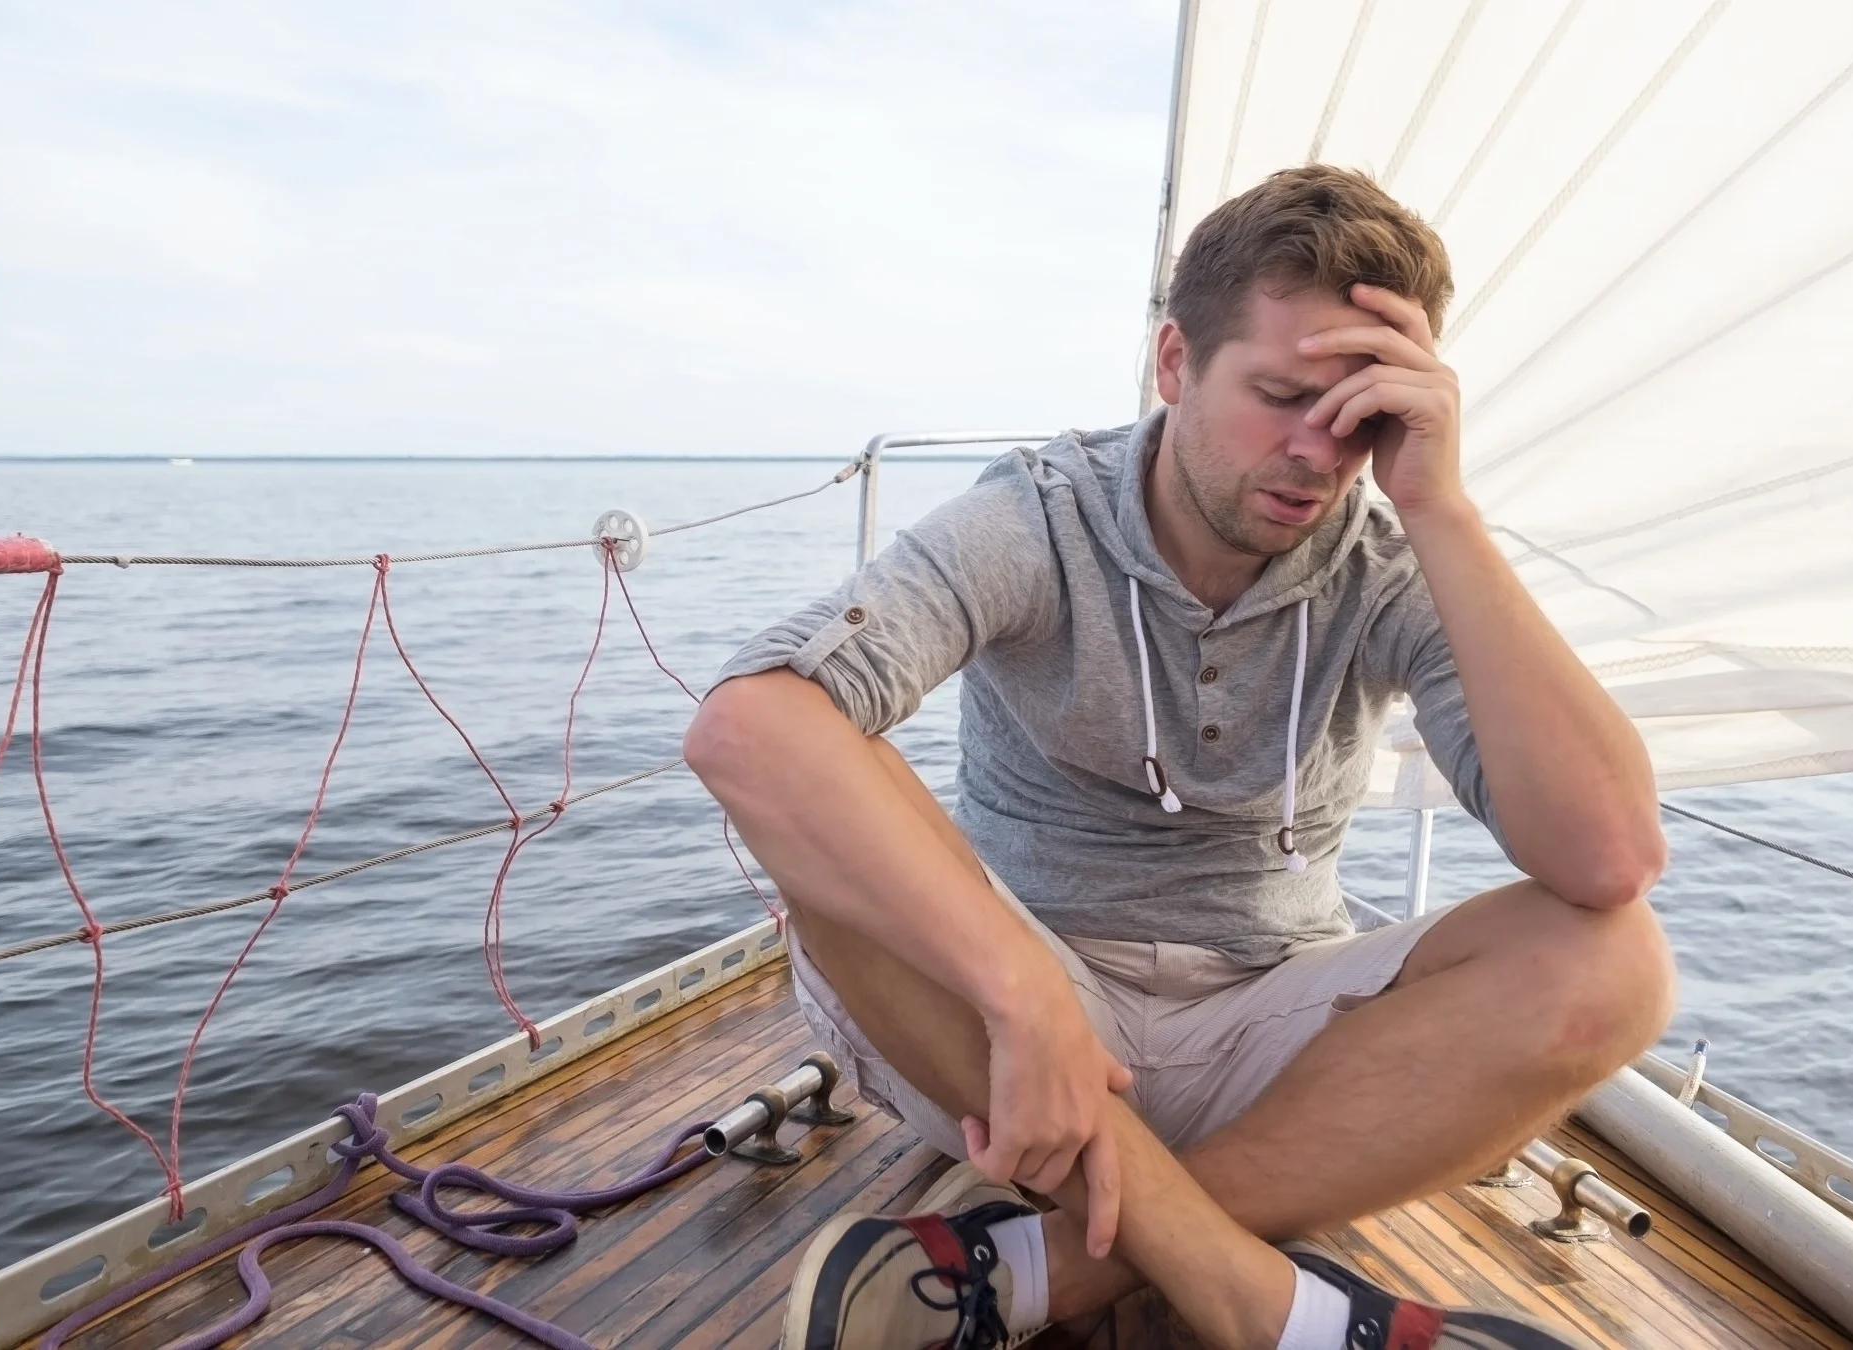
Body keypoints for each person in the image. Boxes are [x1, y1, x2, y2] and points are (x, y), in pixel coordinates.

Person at [684, 164, 1674, 1350]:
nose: (1317, 452)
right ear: (1173, 363)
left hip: (1278, 1046)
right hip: (1005, 1049)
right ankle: (1261, 1300)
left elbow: (1608, 857)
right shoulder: (1040, 518)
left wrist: (1441, 511)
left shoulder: (1392, 560)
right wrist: (1022, 993)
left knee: (1616, 961)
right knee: (828, 824)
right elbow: (748, 725)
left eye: (1357, 416)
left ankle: (1055, 1268)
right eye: (1281, 395)